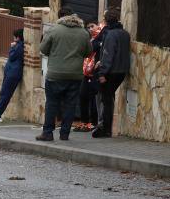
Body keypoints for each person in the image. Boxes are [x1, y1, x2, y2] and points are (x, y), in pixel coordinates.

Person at [36, 7, 92, 142]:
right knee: (70, 104)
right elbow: (88, 52)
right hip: (75, 75)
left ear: (60, 17)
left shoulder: (54, 30)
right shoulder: (83, 33)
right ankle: (65, 134)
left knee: (52, 103)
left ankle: (48, 133)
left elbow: (43, 49)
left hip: (55, 74)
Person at [92, 8, 130, 138]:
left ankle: (105, 129)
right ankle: (105, 128)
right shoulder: (125, 34)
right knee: (108, 97)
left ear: (106, 21)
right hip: (122, 71)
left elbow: (108, 55)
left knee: (106, 99)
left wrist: (102, 73)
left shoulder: (110, 35)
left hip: (111, 71)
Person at [0, 28, 24, 124]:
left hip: (13, 74)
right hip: (10, 72)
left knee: (5, 94)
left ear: (17, 37)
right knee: (3, 93)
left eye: (14, 36)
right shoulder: (19, 45)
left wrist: (12, 47)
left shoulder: (19, 46)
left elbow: (11, 56)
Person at [74, 22, 102, 132]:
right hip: (86, 73)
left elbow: (91, 51)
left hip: (94, 73)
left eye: (92, 26)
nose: (90, 29)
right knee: (83, 96)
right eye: (88, 27)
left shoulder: (100, 38)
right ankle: (85, 122)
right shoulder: (89, 39)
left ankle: (93, 123)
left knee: (93, 99)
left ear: (97, 26)